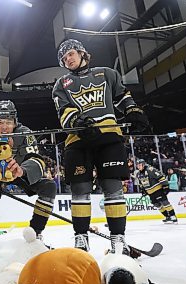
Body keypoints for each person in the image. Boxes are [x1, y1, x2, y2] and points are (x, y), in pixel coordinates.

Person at [52, 39, 150, 253]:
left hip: (109, 137)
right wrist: (77, 123)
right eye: (63, 58)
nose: (67, 59)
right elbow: (64, 112)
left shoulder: (107, 73)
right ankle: (81, 239)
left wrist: (133, 111)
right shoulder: (62, 84)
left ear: (82, 53)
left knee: (113, 188)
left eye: (70, 54)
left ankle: (118, 239)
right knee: (79, 190)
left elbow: (122, 96)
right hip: (78, 141)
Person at [0, 100, 57, 242]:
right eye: (0, 122)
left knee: (49, 186)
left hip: (17, 172)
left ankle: (35, 233)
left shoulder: (25, 133)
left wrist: (22, 171)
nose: (4, 127)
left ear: (15, 122)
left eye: (8, 122)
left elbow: (37, 161)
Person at [135, 159, 178, 224]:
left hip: (158, 190)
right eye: (137, 165)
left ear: (143, 165)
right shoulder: (138, 174)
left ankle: (173, 216)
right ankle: (167, 216)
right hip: (150, 193)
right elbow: (142, 184)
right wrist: (143, 190)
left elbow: (161, 177)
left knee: (165, 203)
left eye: (140, 165)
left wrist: (165, 186)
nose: (138, 166)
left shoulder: (150, 170)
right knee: (157, 205)